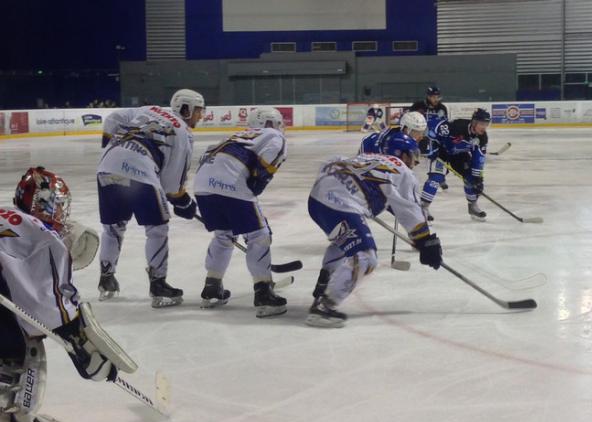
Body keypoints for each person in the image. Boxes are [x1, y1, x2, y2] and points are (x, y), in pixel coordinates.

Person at [0, 167, 135, 422]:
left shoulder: (7, 215)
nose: (62, 213)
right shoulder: (44, 237)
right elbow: (49, 310)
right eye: (60, 206)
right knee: (24, 348)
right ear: (49, 205)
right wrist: (84, 349)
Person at [306, 149, 443, 328]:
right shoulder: (401, 170)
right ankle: (323, 308)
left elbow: (332, 162)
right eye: (413, 157)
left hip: (317, 200)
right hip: (340, 203)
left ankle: (324, 285)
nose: (414, 163)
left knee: (346, 244)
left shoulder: (371, 158)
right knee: (365, 256)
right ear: (402, 154)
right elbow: (409, 209)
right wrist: (426, 241)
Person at [97, 89, 205, 307]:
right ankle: (158, 284)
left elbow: (112, 118)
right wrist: (184, 203)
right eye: (198, 112)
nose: (200, 117)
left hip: (107, 166)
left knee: (113, 227)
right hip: (139, 172)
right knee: (157, 228)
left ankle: (106, 280)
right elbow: (172, 184)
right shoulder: (183, 132)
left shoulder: (148, 109)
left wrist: (109, 144)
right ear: (186, 109)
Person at [193, 107, 288, 318]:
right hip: (229, 183)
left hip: (201, 185)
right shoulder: (273, 135)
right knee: (259, 235)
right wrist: (256, 184)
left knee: (223, 234)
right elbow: (270, 159)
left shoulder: (236, 135)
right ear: (271, 123)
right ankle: (263, 292)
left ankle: (212, 288)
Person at [420, 108, 491, 221]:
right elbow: (431, 127)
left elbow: (478, 158)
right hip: (441, 152)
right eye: (481, 124)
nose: (484, 127)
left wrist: (478, 178)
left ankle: (472, 206)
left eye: (486, 124)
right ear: (474, 122)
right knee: (436, 178)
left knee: (472, 179)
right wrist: (430, 147)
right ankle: (423, 208)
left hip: (458, 155)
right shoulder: (457, 126)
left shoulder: (482, 137)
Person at [411, 86, 451, 190]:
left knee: (441, 156)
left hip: (435, 138)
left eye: (437, 97)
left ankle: (440, 177)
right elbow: (409, 120)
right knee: (413, 157)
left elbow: (444, 124)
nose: (436, 99)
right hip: (420, 136)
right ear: (428, 96)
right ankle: (408, 178)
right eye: (433, 97)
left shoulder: (442, 108)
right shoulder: (418, 106)